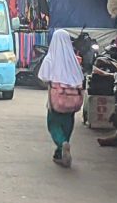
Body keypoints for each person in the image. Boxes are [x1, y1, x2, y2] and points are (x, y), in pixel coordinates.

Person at [38, 29, 84, 168]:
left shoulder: (50, 58)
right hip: (72, 100)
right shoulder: (74, 59)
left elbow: (43, 77)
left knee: (54, 124)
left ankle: (62, 144)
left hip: (57, 99)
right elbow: (80, 78)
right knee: (67, 125)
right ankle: (60, 154)